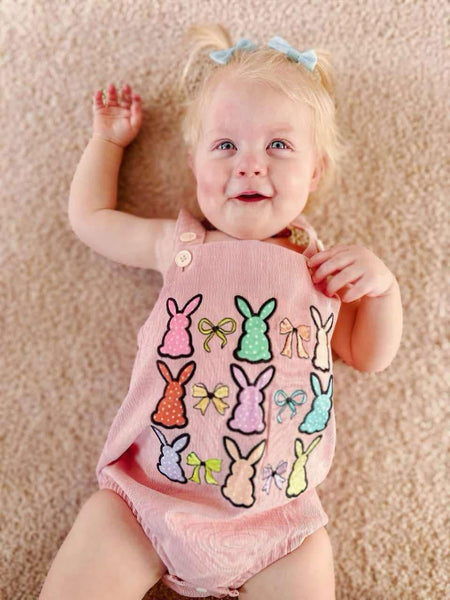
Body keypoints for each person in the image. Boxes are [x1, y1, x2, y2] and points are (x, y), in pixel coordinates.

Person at [39, 23, 402, 600]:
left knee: (314, 554)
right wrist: (107, 143)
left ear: (315, 169)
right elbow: (91, 220)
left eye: (278, 146)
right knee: (95, 541)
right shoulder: (180, 244)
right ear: (193, 163)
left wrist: (383, 290)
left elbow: (368, 355)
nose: (250, 165)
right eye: (226, 145)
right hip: (146, 500)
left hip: (278, 526)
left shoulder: (322, 268)